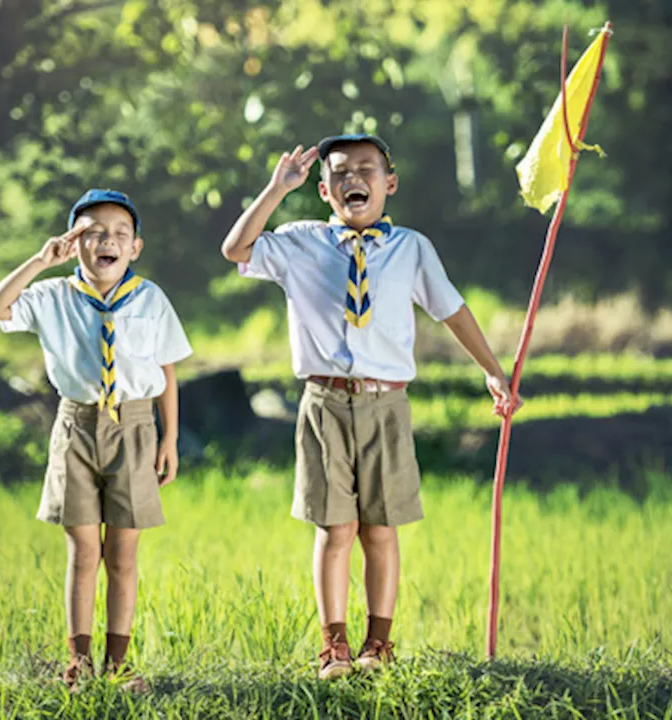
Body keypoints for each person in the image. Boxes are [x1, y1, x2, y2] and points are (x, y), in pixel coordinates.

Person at [219, 134, 522, 679]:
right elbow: (236, 250)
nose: (353, 179)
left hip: (387, 403)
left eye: (366, 169)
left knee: (380, 529)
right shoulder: (299, 241)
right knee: (334, 529)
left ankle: (376, 646)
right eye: (340, 173)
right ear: (323, 189)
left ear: (390, 183)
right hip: (324, 401)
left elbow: (451, 310)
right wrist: (274, 189)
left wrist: (492, 369)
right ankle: (333, 646)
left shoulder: (411, 248)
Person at [0, 189, 192, 692]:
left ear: (135, 247)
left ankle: (118, 664)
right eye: (93, 232)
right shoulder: (53, 295)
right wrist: (39, 260)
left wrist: (171, 437)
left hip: (138, 427)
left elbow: (167, 367)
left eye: (119, 233)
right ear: (74, 242)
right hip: (76, 425)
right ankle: (78, 662)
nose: (107, 241)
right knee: (83, 550)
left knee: (123, 552)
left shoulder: (150, 298)